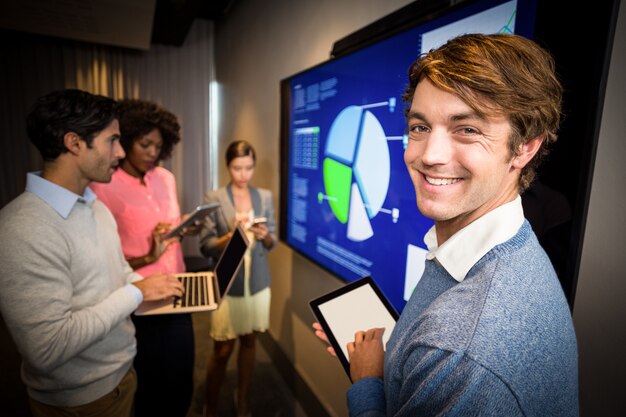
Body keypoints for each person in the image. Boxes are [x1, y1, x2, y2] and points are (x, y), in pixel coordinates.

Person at [314, 33, 579, 416]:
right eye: (420, 127)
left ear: (524, 146)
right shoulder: (506, 248)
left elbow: (457, 345)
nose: (428, 156)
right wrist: (403, 359)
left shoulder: (464, 350)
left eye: (467, 129)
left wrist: (369, 382)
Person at [0, 89, 184, 417]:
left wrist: (149, 285)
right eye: (112, 140)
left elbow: (118, 273)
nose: (120, 151)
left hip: (121, 374)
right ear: (74, 143)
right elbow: (47, 347)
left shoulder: (93, 206)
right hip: (81, 400)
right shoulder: (21, 227)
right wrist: (136, 291)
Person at [91, 99, 200, 417]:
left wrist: (183, 230)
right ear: (125, 140)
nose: (153, 152)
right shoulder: (103, 187)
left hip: (178, 290)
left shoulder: (166, 178)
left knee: (181, 383)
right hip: (139, 301)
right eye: (144, 144)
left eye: (159, 145)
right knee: (150, 387)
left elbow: (169, 228)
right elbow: (104, 261)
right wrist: (147, 255)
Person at [199, 140, 277, 417]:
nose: (243, 174)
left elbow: (272, 242)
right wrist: (232, 235)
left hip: (256, 283)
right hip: (227, 283)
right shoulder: (214, 197)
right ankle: (210, 403)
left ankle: (242, 398)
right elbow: (205, 245)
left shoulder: (265, 197)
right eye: (236, 168)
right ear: (227, 167)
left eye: (248, 167)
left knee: (249, 342)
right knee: (221, 349)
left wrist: (264, 235)